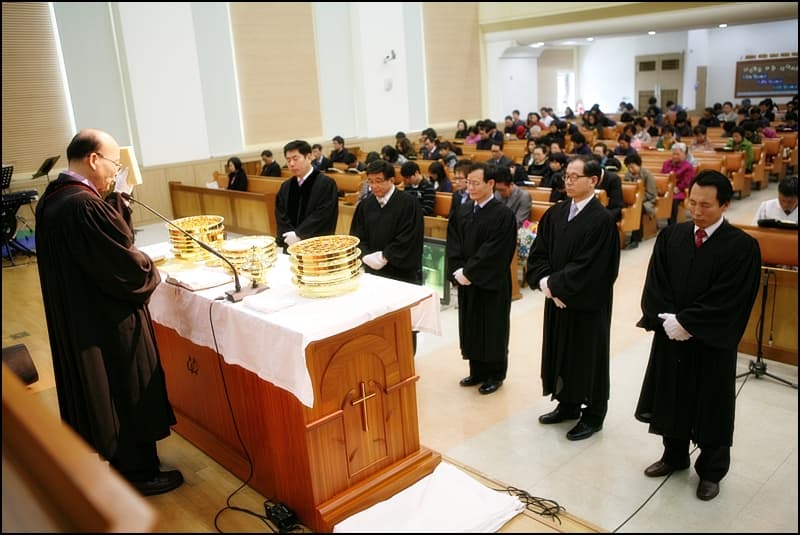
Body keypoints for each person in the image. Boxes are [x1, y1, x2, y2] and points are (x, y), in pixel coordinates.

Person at [34, 128, 183, 496]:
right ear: (94, 159)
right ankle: (139, 473)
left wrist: (119, 199)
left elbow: (105, 244)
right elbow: (124, 266)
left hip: (82, 316)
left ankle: (123, 464)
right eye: (114, 163)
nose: (116, 172)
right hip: (108, 322)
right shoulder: (82, 205)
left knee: (104, 393)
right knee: (125, 387)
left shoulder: (54, 198)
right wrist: (148, 266)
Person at [635, 170, 762, 502]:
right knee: (671, 396)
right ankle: (673, 456)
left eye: (706, 205)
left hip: (711, 342)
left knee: (712, 404)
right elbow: (655, 283)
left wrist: (689, 323)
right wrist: (666, 320)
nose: (697, 210)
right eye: (692, 202)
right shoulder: (672, 236)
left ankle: (711, 471)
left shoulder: (742, 247)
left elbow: (731, 298)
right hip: (670, 336)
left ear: (725, 204)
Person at [526, 156, 620, 441]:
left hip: (586, 304)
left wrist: (557, 286)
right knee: (561, 352)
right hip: (557, 300)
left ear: (593, 181)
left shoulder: (602, 220)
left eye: (575, 176)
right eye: (567, 175)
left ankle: (593, 414)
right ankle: (567, 404)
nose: (568, 181)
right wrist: (545, 283)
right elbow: (539, 252)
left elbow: (594, 267)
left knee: (587, 356)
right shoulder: (556, 214)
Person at [447, 162, 517, 395]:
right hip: (466, 280)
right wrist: (457, 270)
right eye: (468, 182)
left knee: (493, 328)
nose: (470, 187)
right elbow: (453, 242)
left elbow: (496, 250)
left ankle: (495, 374)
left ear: (490, 183)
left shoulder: (503, 214)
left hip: (491, 282)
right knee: (471, 325)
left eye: (476, 183)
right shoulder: (464, 210)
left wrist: (470, 272)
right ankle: (476, 370)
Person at [350, 160, 424, 285]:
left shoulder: (409, 203)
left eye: (378, 181)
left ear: (391, 180)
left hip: (401, 274)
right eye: (370, 181)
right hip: (371, 271)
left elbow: (410, 237)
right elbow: (357, 235)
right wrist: (365, 255)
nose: (373, 186)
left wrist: (386, 256)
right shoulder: (365, 205)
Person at [275, 139, 339, 250]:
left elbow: (324, 214)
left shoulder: (326, 183)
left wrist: (299, 234)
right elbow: (280, 214)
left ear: (309, 157)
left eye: (295, 159)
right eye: (288, 160)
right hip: (290, 244)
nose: (291, 164)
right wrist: (289, 236)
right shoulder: (286, 186)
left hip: (316, 246)